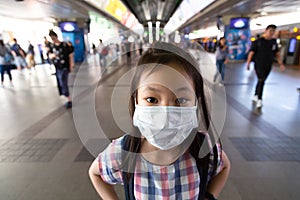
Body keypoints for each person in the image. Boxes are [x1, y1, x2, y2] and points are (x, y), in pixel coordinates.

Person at [89, 42, 230, 200]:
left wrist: (210, 196)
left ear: (196, 103)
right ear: (135, 100)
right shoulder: (122, 153)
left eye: (181, 100)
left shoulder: (205, 149)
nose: (165, 114)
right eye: (152, 99)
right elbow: (95, 173)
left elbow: (224, 166)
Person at [246, 24, 285, 109]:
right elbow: (251, 53)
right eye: (270, 31)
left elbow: (277, 54)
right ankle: (260, 99)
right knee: (261, 80)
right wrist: (248, 64)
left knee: (261, 81)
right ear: (266, 31)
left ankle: (256, 95)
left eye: (273, 31)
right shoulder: (258, 42)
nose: (272, 33)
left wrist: (281, 64)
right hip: (259, 65)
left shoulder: (273, 42)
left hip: (268, 65)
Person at [48, 30, 74, 109]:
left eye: (54, 38)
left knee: (63, 82)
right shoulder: (52, 47)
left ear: (56, 37)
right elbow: (49, 55)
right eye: (52, 39)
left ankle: (69, 99)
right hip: (57, 67)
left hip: (64, 67)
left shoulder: (64, 45)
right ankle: (67, 97)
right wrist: (52, 55)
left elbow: (70, 55)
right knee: (60, 82)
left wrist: (71, 65)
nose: (53, 40)